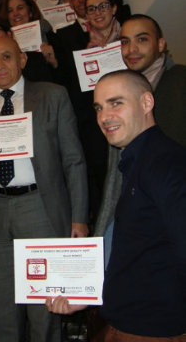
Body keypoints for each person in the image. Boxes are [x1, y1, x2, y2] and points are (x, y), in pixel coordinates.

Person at [0, 36, 89, 342]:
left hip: (40, 206)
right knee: (2, 309)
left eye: (6, 57)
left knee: (45, 309)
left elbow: (74, 160)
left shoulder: (53, 95)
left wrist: (79, 218)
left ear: (22, 60)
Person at [47, 70, 186, 340]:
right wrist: (87, 294)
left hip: (154, 329)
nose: (104, 116)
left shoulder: (168, 164)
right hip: (124, 322)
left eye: (116, 103)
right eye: (99, 107)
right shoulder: (136, 162)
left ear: (146, 103)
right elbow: (137, 252)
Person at [95, 15, 186, 264]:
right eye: (125, 41)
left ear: (161, 44)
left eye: (142, 39)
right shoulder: (120, 88)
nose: (131, 49)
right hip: (127, 201)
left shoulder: (179, 80)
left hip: (167, 203)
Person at [56, 0, 109, 222]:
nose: (96, 12)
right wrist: (89, 58)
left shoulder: (125, 37)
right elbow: (67, 81)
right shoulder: (72, 37)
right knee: (99, 173)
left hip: (126, 114)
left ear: (113, 8)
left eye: (101, 7)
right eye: (91, 8)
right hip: (91, 116)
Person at [0, 0, 67, 83]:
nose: (15, 13)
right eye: (10, 10)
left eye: (20, 8)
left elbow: (66, 77)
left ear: (30, 11)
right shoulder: (4, 44)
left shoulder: (50, 37)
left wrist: (54, 62)